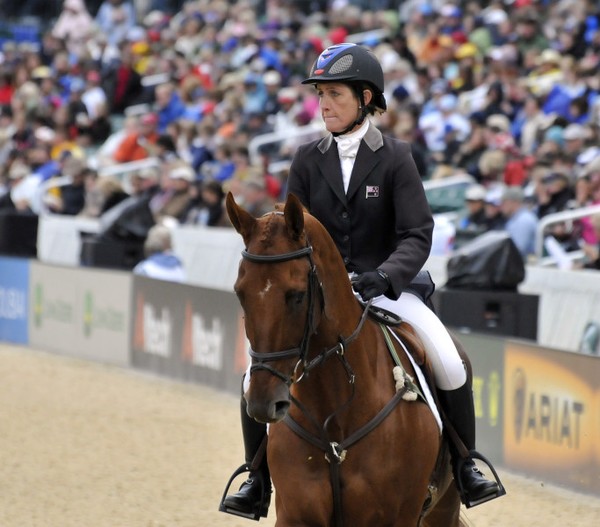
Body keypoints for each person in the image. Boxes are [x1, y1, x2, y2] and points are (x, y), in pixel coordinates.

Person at [221, 43, 502, 519]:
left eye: (334, 94)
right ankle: (257, 478)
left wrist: (385, 276)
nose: (324, 104)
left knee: (452, 362)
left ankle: (466, 465)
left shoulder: (395, 158)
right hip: (321, 296)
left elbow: (417, 233)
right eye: (321, 95)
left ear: (365, 97)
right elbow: (296, 229)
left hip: (390, 289)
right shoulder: (308, 158)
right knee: (255, 374)